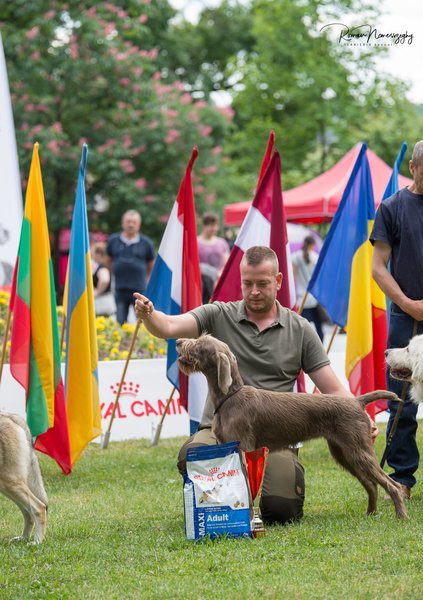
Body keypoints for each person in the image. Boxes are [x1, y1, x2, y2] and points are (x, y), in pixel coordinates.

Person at [134, 246, 376, 525]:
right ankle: (222, 508)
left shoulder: (300, 329)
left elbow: (332, 387)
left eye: (262, 283)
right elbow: (168, 326)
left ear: (279, 281)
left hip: (275, 436)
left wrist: (360, 415)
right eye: (247, 283)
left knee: (280, 509)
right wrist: (150, 315)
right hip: (219, 428)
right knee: (194, 455)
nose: (254, 291)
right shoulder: (217, 315)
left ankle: (246, 500)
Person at [371, 139, 423, 500]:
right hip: (406, 316)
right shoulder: (391, 207)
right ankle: (402, 477)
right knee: (402, 399)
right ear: (414, 168)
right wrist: (407, 303)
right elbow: (378, 267)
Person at [107, 210, 155, 324]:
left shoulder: (146, 243)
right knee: (120, 320)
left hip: (139, 289)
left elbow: (150, 263)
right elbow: (108, 260)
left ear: (139, 225)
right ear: (123, 223)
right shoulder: (113, 240)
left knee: (142, 321)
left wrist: (146, 277)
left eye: (134, 222)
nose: (131, 224)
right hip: (119, 288)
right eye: (128, 221)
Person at [292, 235, 324, 341]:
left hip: (302, 299)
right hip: (314, 298)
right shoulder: (315, 257)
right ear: (312, 245)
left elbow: (294, 277)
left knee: (301, 330)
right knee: (319, 330)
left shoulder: (296, 257)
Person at [91, 243, 116, 317]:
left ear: (98, 254)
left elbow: (105, 280)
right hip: (106, 301)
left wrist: (97, 292)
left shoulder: (102, 267)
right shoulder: (107, 266)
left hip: (101, 302)